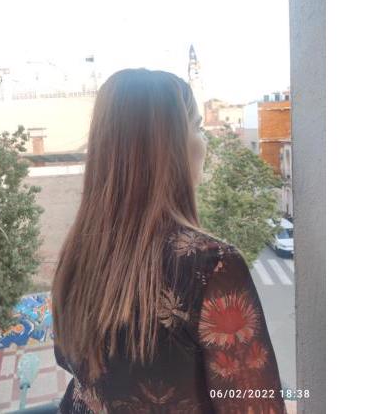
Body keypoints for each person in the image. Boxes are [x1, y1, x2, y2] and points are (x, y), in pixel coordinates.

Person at [52, 69, 286, 413]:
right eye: (198, 128)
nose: (204, 143)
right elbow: (255, 406)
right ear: (172, 147)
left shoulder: (78, 254)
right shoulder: (211, 265)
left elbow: (73, 367)